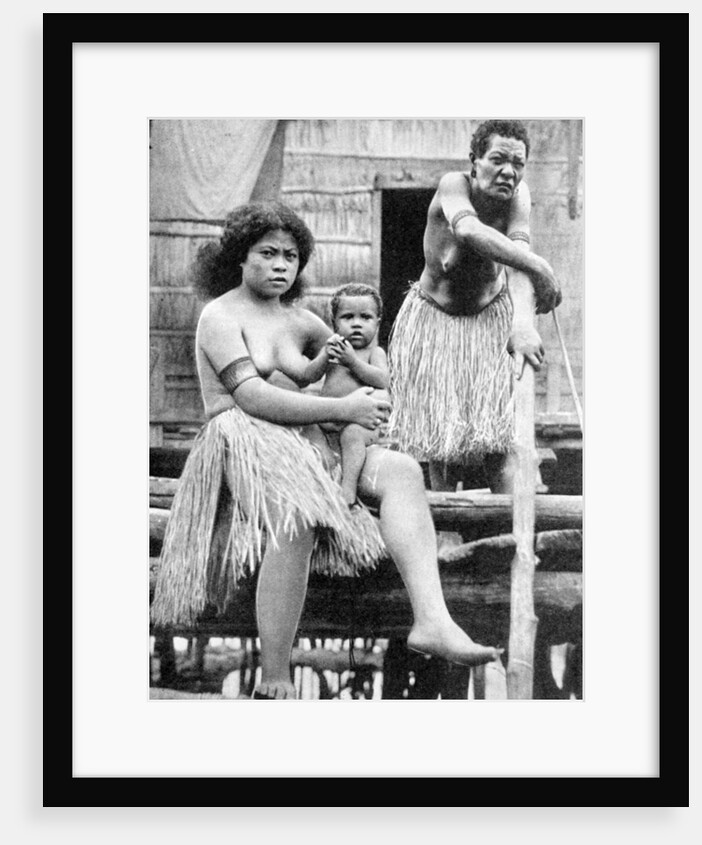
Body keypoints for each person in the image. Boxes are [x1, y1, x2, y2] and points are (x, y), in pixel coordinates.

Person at [151, 201, 501, 699]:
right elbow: (250, 396)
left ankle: (432, 620)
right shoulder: (220, 315)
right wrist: (340, 412)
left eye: (290, 256)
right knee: (297, 517)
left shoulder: (303, 320)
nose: (280, 265)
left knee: (401, 469)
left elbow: (355, 359)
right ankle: (275, 672)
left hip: (315, 438)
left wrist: (366, 391)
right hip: (244, 439)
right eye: (267, 253)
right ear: (238, 257)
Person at [387, 120, 562, 545]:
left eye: (517, 163)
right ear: (475, 161)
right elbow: (468, 230)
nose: (508, 172)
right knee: (442, 443)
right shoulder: (453, 185)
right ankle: (440, 546)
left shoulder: (518, 198)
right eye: (498, 160)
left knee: (499, 441)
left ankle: (509, 544)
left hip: (489, 318)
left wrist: (521, 324)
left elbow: (517, 268)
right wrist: (539, 264)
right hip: (436, 321)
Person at [299, 283, 390, 508]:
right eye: (348, 317)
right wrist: (323, 358)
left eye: (365, 317)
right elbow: (310, 375)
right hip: (329, 419)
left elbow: (382, 380)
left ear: (377, 324)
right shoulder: (334, 349)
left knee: (352, 436)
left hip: (361, 424)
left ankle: (347, 489)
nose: (356, 324)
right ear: (335, 323)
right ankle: (322, 480)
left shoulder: (374, 352)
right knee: (307, 430)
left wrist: (352, 361)